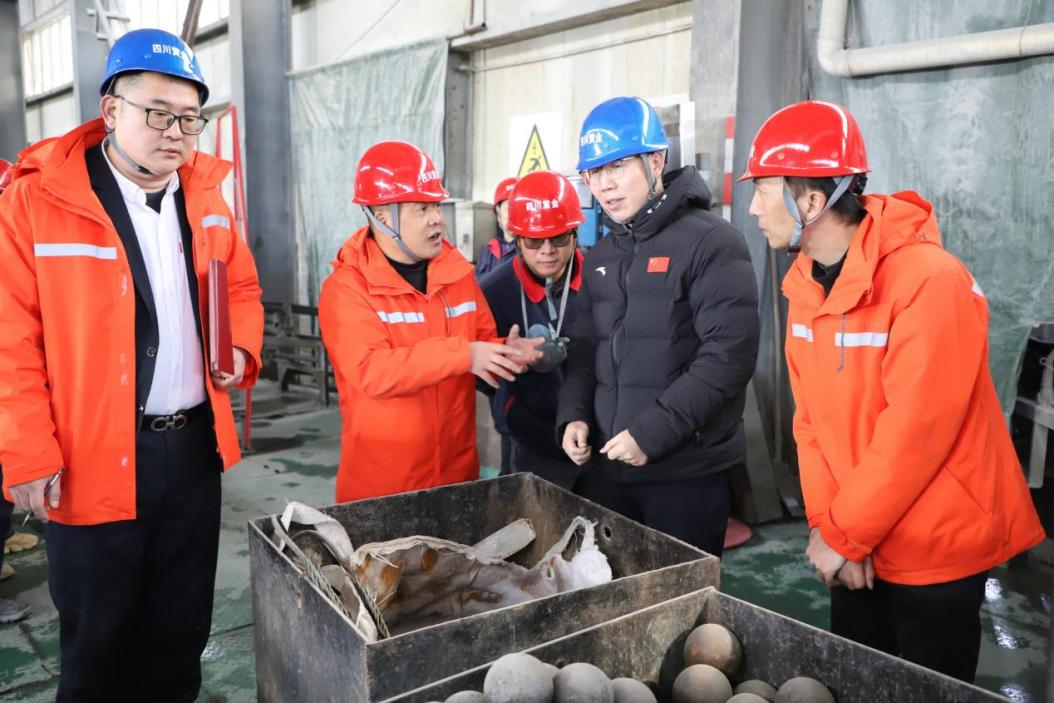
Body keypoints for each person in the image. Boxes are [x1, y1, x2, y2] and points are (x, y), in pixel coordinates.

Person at [741, 99, 1045, 682]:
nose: (753, 207)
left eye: (762, 189)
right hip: (856, 542)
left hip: (934, 543)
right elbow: (810, 423)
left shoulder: (930, 281)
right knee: (857, 680)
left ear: (810, 202)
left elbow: (916, 433)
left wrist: (847, 535)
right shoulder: (805, 285)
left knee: (926, 687)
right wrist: (831, 528)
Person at [0, 28, 263, 700]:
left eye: (190, 118)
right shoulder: (38, 201)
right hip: (91, 455)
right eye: (158, 113)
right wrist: (26, 451)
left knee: (180, 631)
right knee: (99, 642)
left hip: (192, 453)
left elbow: (240, 286)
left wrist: (239, 348)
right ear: (111, 110)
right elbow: (10, 339)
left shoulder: (206, 195)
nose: (176, 133)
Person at [557, 96, 760, 556]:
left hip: (684, 476)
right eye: (594, 172)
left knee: (680, 592)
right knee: (608, 588)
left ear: (655, 161)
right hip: (609, 469)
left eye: (618, 166)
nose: (605, 185)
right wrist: (573, 414)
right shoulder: (602, 256)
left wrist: (650, 435)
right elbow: (585, 349)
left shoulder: (712, 242)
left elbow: (728, 357)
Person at [319, 141, 541, 502]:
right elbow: (370, 371)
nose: (437, 218)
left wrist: (505, 351)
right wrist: (465, 355)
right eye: (422, 208)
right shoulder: (347, 289)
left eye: (436, 205)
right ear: (383, 216)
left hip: (456, 477)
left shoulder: (456, 274)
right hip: (385, 489)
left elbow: (478, 343)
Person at [479, 170, 586, 490]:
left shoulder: (601, 280)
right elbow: (480, 378)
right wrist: (503, 358)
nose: (547, 250)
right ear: (517, 238)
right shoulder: (494, 292)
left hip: (594, 436)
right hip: (531, 439)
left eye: (559, 238)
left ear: (575, 233)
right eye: (535, 240)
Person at [475, 176, 518, 278]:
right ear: (498, 215)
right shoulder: (487, 252)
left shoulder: (532, 252)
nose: (514, 212)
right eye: (509, 206)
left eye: (518, 205)